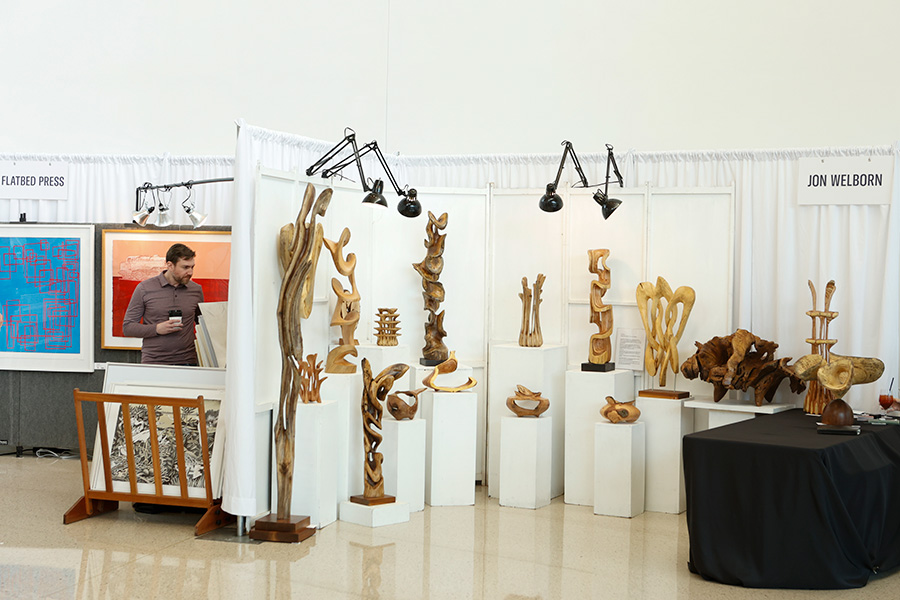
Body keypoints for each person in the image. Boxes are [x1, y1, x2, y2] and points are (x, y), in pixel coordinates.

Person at [123, 243, 204, 366]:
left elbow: (202, 324)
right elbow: (128, 328)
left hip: (188, 361)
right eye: (185, 267)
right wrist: (157, 329)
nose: (190, 272)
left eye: (192, 267)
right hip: (153, 362)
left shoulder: (196, 290)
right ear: (170, 265)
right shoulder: (144, 288)